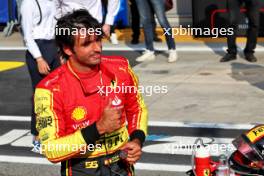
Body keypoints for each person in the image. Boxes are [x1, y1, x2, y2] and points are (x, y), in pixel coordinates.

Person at [34, 9, 148, 176]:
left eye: (98, 40)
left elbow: (137, 109)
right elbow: (51, 149)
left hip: (121, 162)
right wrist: (99, 128)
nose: (97, 48)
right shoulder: (49, 88)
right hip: (80, 167)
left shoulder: (121, 68)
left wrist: (137, 140)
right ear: (67, 49)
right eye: (87, 43)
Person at [20, 0, 60, 152]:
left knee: (57, 94)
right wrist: (39, 58)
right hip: (38, 49)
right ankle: (37, 138)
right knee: (41, 96)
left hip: (53, 47)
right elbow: (27, 36)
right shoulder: (29, 3)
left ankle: (54, 133)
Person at [55, 0, 120, 38]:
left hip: (92, 23)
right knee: (66, 56)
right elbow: (55, 4)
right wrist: (59, 21)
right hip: (68, 24)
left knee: (91, 55)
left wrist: (108, 22)